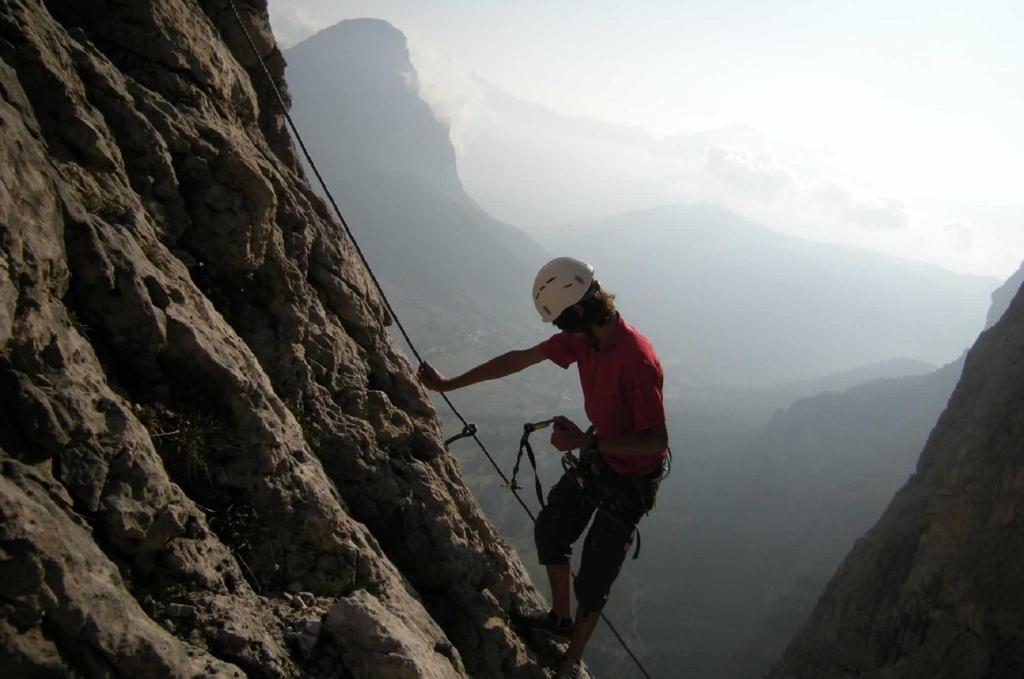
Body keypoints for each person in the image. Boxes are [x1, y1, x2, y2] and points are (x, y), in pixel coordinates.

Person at [418, 257, 668, 679]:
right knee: (552, 528)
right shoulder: (585, 341)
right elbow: (518, 360)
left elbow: (656, 441)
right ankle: (559, 620)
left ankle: (570, 663)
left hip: (631, 478)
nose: (560, 333)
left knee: (594, 577)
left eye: (562, 323)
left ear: (580, 312)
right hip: (600, 455)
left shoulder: (636, 361)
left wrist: (586, 441)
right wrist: (449, 385)